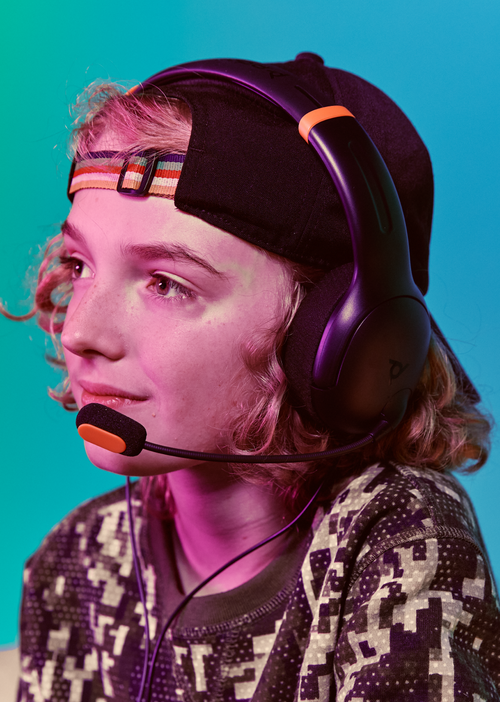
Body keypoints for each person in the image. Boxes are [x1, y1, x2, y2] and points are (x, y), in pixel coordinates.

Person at [6, 52, 500, 702]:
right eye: (78, 265)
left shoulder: (396, 538)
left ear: (333, 338)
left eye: (164, 282)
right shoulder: (73, 564)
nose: (79, 332)